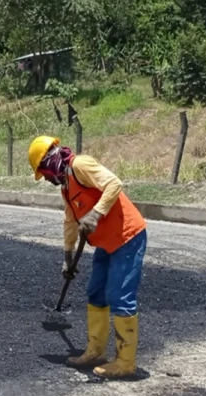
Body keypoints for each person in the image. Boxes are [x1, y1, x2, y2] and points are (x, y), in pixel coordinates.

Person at [28, 135, 147, 379]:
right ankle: (96, 351)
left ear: (48, 163)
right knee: (96, 292)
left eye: (44, 173)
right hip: (106, 243)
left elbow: (114, 183)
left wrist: (95, 214)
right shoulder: (66, 187)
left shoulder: (80, 165)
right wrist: (67, 257)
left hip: (127, 236)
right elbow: (70, 222)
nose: (47, 179)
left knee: (119, 295)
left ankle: (125, 362)